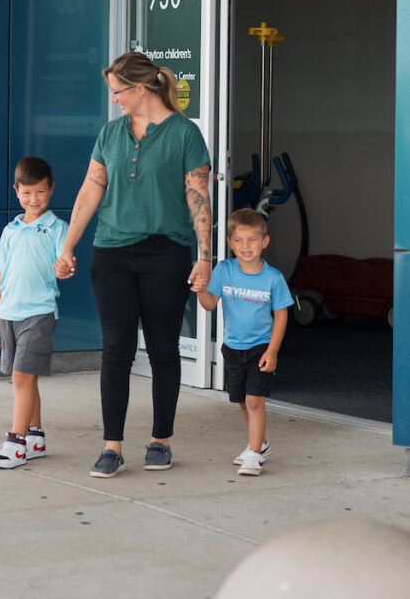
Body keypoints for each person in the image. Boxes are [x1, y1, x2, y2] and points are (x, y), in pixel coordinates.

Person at [55, 51, 212, 477]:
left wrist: (205, 257)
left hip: (167, 253)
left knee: (163, 348)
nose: (114, 100)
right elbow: (90, 192)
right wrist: (67, 247)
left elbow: (199, 199)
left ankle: (160, 440)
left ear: (140, 89)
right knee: (116, 350)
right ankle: (112, 445)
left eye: (118, 92)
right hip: (112, 254)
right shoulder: (110, 134)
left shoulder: (184, 134)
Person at [192, 207, 293, 476]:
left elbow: (281, 316)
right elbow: (210, 305)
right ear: (229, 243)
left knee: (254, 400)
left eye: (251, 240)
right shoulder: (224, 270)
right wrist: (201, 290)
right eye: (238, 240)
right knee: (240, 399)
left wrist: (272, 351)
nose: (245, 246)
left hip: (260, 346)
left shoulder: (273, 278)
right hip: (232, 347)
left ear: (264, 242)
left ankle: (255, 454)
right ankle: (258, 443)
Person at [0, 156, 68, 469]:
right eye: (27, 193)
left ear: (51, 190)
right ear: (16, 191)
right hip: (8, 314)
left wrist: (65, 267)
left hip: (39, 313)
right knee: (25, 378)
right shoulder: (10, 230)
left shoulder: (57, 228)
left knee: (22, 375)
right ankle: (35, 436)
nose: (34, 199)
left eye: (41, 193)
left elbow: (65, 262)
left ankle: (16, 443)